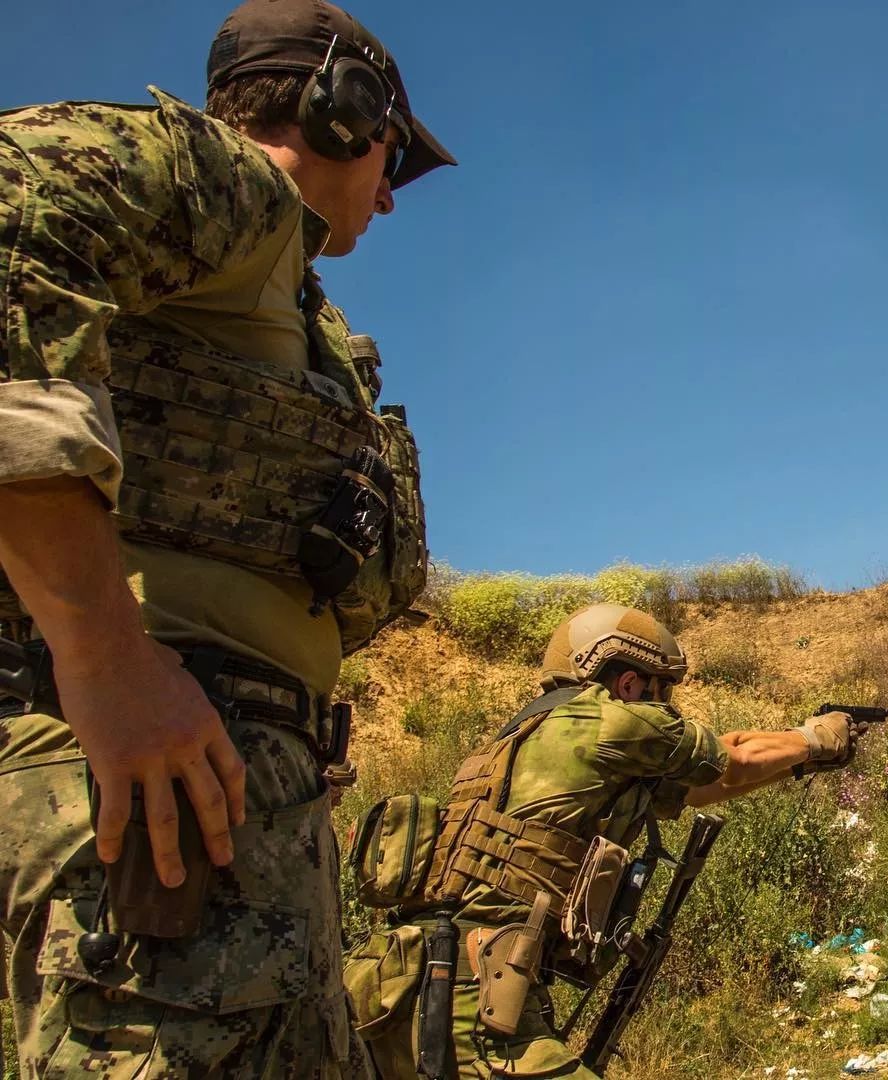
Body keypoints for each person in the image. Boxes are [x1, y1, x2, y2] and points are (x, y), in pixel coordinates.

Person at [0, 0, 454, 1074]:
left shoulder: (281, 288)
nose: (390, 197)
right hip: (142, 804)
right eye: (391, 155)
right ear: (342, 112)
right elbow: (14, 202)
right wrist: (104, 656)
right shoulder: (239, 191)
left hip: (233, 807)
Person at [346, 603, 865, 1079]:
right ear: (632, 684)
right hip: (470, 998)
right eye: (664, 691)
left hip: (395, 988)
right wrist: (819, 737)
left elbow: (699, 789)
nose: (668, 707)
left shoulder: (511, 746)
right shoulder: (606, 718)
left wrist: (801, 758)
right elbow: (733, 759)